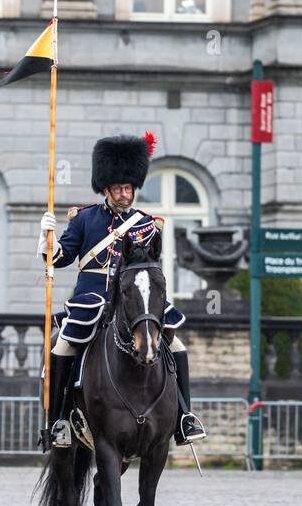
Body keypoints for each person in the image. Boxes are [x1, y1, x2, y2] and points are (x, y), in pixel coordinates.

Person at [38, 133, 205, 449]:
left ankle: (185, 417)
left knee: (178, 345)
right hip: (91, 298)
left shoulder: (145, 224)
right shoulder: (86, 218)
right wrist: (47, 239)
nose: (125, 194)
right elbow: (60, 258)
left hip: (135, 300)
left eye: (129, 188)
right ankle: (57, 421)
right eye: (119, 188)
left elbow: (149, 268)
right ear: (106, 188)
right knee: (61, 347)